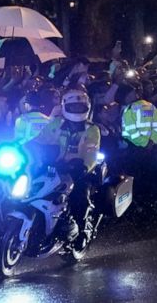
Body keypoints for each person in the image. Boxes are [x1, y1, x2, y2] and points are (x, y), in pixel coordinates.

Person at [33, 88, 101, 246]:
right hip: (55, 167)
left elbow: (91, 153)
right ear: (64, 107)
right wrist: (22, 147)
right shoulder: (57, 124)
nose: (77, 110)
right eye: (73, 107)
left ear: (87, 107)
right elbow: (40, 139)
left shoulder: (92, 129)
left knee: (79, 196)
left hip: (78, 171)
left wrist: (84, 167)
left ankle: (82, 231)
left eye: (80, 107)